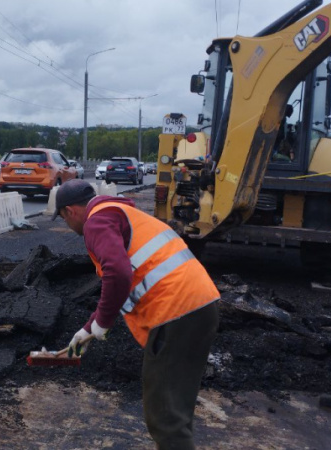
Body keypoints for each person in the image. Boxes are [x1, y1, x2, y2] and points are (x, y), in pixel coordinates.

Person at [52, 179, 220, 450]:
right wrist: (88, 328)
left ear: (70, 211)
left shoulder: (97, 222)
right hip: (200, 307)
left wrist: (102, 324)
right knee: (176, 408)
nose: (67, 225)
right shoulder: (122, 214)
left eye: (63, 218)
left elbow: (117, 274)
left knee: (165, 417)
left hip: (175, 313)